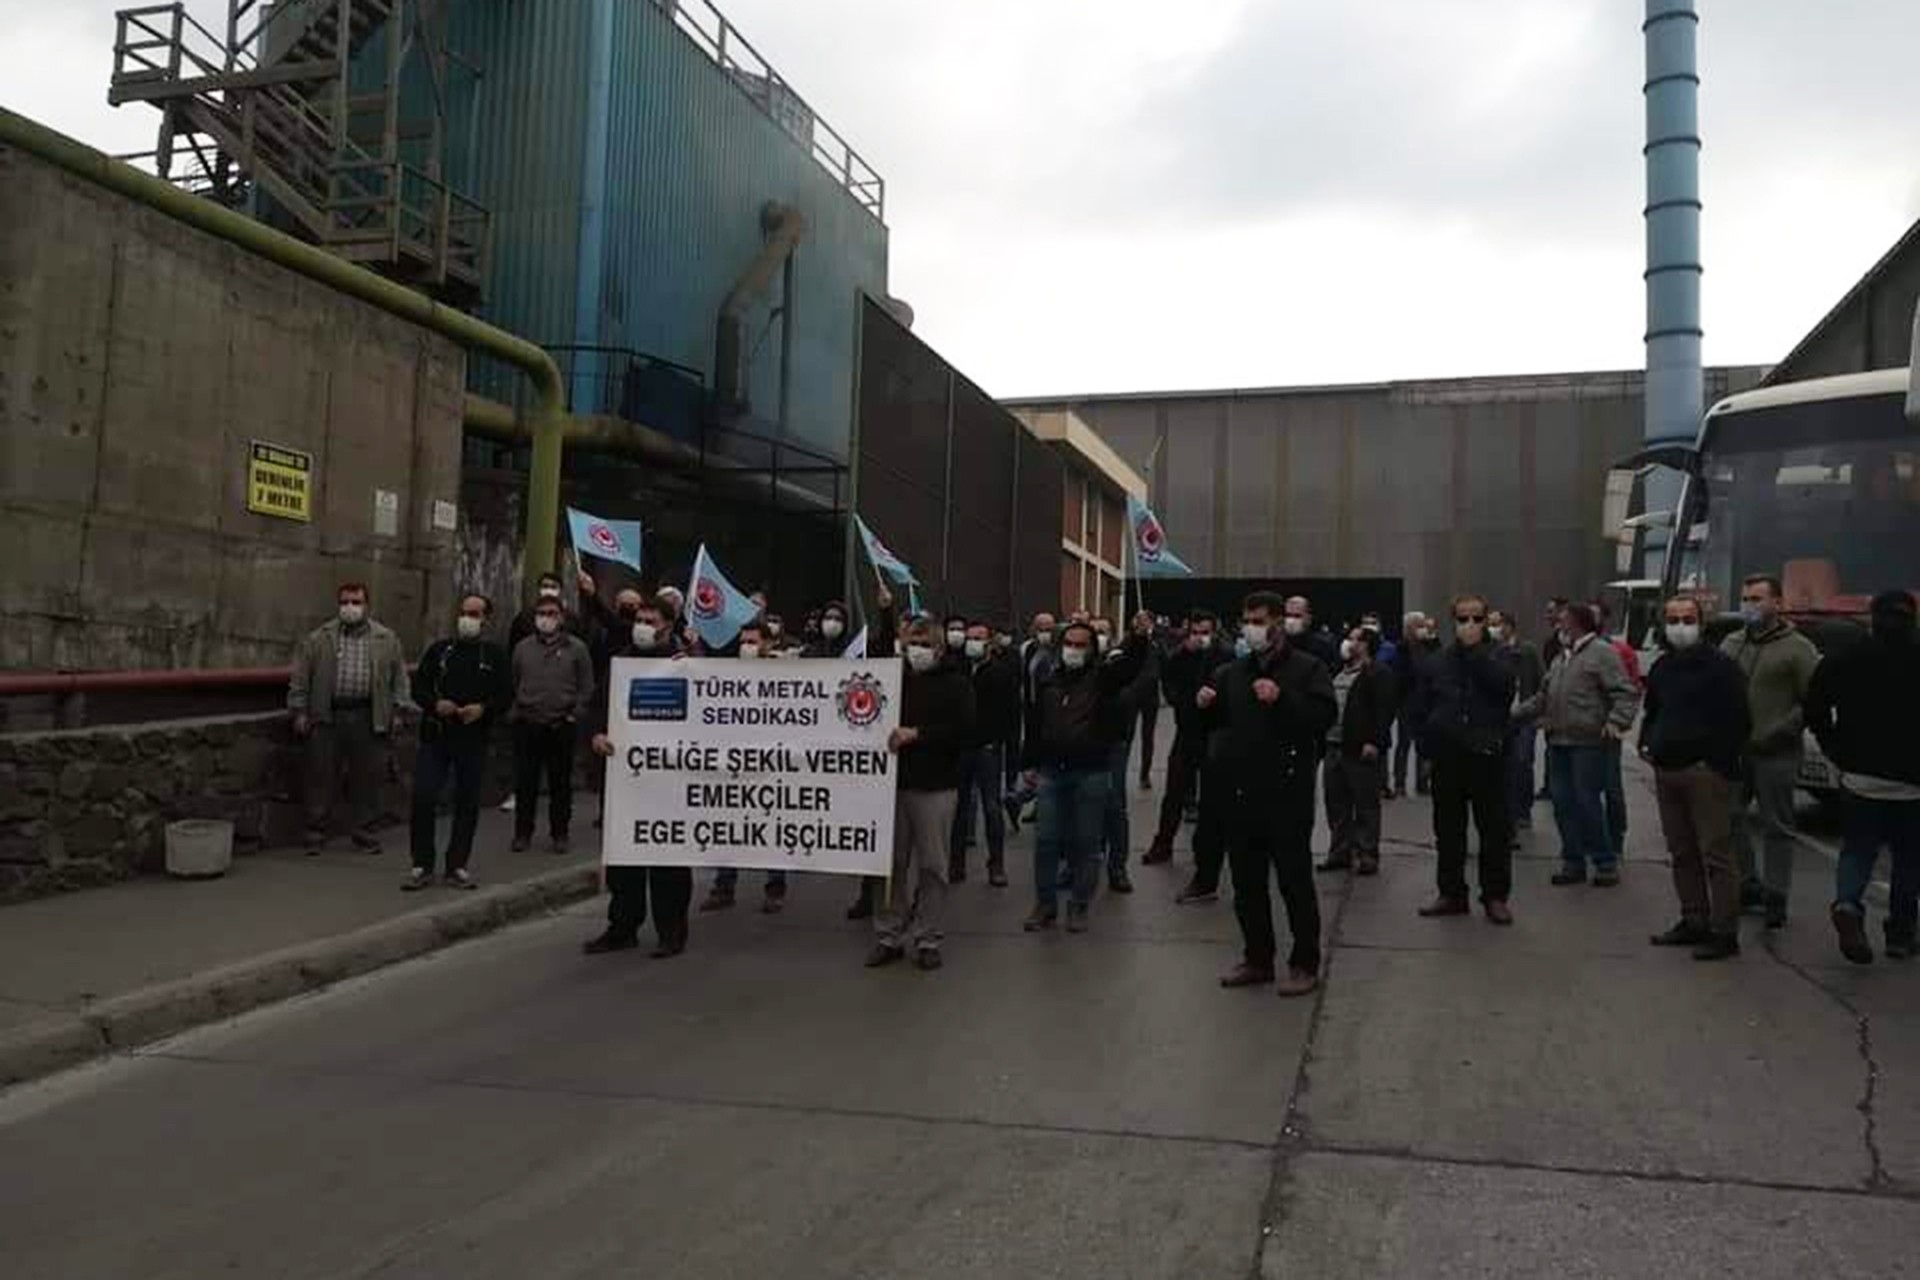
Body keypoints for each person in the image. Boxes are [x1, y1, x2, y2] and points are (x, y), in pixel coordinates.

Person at [1202, 592, 1336, 995]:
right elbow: (1219, 726)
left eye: (1259, 620)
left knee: (1294, 881)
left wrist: (1283, 700)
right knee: (1246, 882)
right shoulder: (1234, 672)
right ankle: (1257, 958)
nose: (1251, 628)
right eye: (1246, 620)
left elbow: (1323, 717)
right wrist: (1206, 706)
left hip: (1287, 794)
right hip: (1241, 793)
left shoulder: (1307, 668)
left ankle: (1305, 963)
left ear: (1278, 622)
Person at [1806, 589, 1920, 964]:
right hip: (1913, 783)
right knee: (1908, 860)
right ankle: (1901, 933)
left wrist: (1836, 751)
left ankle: (1848, 904)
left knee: (1857, 850)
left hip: (1859, 777)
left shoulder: (1846, 657)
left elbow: (1815, 707)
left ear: (1872, 617)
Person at [1641, 594, 1751, 960]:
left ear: (1701, 624)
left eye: (1687, 619)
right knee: (1681, 851)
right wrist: (1648, 744)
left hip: (1705, 772)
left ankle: (1724, 931)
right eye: (1673, 619)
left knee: (1716, 854)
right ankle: (1694, 919)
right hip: (1667, 769)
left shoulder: (1721, 668)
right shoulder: (1662, 668)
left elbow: (1739, 720)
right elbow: (1654, 710)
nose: (1680, 626)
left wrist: (1715, 762)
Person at [1020, 618, 1148, 933]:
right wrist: (1028, 763)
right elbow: (1035, 722)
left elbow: (1131, 668)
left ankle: (1079, 905)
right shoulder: (1047, 678)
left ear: (1092, 650)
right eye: (1069, 644)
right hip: (1052, 771)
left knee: (1087, 843)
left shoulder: (1103, 678)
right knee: (1046, 841)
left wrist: (1138, 636)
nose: (1074, 650)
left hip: (1090, 771)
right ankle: (1045, 905)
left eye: (1081, 645)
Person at [866, 614, 976, 970]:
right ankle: (889, 934)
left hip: (936, 787)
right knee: (891, 866)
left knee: (932, 866)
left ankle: (928, 937)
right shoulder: (891, 680)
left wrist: (919, 734)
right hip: (893, 786)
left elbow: (964, 730)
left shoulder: (956, 684)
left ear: (940, 649)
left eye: (926, 644)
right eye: (913, 642)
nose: (919, 650)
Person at [584, 597, 693, 957]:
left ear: (668, 625)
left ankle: (671, 931)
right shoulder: (622, 661)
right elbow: (597, 706)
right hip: (625, 777)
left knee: (668, 860)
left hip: (669, 779)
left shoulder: (686, 665)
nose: (643, 625)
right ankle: (623, 926)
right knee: (624, 858)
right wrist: (597, 733)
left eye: (651, 619)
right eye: (639, 619)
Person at [1722, 574, 1822, 929]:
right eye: (1746, 598)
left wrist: (1781, 730)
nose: (1750, 605)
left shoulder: (1798, 648)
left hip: (1776, 752)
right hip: (1734, 751)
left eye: (1758, 599)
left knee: (1777, 826)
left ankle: (1777, 895)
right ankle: (1748, 883)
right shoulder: (1732, 644)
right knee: (1729, 817)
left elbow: (1813, 700)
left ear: (1777, 603)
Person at [1412, 595, 1518, 923]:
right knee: (1448, 830)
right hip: (1448, 755)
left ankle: (1495, 896)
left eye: (1476, 619)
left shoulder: (1500, 655)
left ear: (1486, 621)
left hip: (1487, 756)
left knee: (1494, 831)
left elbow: (1503, 690)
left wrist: (1475, 653)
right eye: (1462, 619)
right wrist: (1427, 750)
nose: (1469, 625)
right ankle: (1451, 893)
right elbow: (1423, 705)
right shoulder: (1439, 660)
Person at [289, 582, 409, 854]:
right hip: (328, 715)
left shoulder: (386, 639)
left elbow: (399, 678)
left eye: (356, 602)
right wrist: (299, 711)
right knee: (320, 775)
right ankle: (315, 834)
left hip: (368, 715)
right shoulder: (319, 638)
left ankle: (364, 833)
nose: (350, 608)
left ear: (367, 605)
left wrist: (399, 710)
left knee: (367, 778)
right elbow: (300, 678)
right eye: (345, 602)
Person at [406, 594, 511, 891]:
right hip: (436, 735)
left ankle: (457, 865)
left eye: (475, 614)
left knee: (466, 801)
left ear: (485, 619)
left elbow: (505, 695)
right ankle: (422, 864)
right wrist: (435, 704)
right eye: (464, 612)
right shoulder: (440, 651)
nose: (468, 619)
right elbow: (419, 687)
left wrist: (483, 709)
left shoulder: (494, 656)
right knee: (424, 796)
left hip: (473, 738)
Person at [1542, 602, 1639, 887]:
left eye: (1562, 621)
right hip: (1559, 740)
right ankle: (1573, 862)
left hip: (1588, 743)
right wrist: (1515, 716)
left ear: (1578, 623)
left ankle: (1604, 862)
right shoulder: (1562, 657)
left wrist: (1617, 722)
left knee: (1587, 802)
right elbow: (1544, 694)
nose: (1558, 626)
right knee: (1562, 803)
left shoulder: (1603, 653)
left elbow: (1625, 692)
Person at [702, 619, 791, 913]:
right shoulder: (728, 673)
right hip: (734, 766)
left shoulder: (786, 675)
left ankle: (775, 889)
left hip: (771, 766)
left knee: (773, 828)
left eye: (753, 642)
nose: (747, 647)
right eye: (743, 642)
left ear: (768, 643)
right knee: (729, 826)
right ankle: (723, 885)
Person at [509, 594, 595, 855]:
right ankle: (522, 834)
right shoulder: (523, 648)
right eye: (542, 613)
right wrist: (517, 711)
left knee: (560, 785)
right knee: (526, 783)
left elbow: (587, 686)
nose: (546, 618)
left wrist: (575, 713)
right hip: (529, 723)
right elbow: (514, 680)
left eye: (551, 613)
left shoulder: (577, 649)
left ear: (561, 618)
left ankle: (560, 833)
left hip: (561, 724)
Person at [1146, 609, 1227, 869]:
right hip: (1187, 731)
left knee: (1214, 796)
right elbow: (1169, 684)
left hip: (1215, 733)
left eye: (1205, 633)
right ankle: (1163, 843)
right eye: (1195, 633)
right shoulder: (1179, 656)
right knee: (1174, 792)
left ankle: (1209, 851)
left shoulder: (1224, 656)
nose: (1199, 638)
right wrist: (1183, 701)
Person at [1317, 627, 1395, 876]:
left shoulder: (1377, 673)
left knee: (1365, 804)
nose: (1348, 642)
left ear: (1366, 645)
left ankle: (1367, 854)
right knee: (1336, 804)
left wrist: (1374, 741)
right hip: (1333, 745)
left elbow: (1384, 711)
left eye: (1354, 638)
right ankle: (1340, 852)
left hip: (1359, 748)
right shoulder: (1339, 671)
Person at [952, 619, 1017, 887]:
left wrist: (1003, 745)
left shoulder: (1001, 672)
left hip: (988, 748)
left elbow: (1010, 714)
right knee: (959, 808)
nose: (973, 642)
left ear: (989, 642)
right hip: (960, 748)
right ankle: (956, 863)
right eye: (970, 637)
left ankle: (996, 863)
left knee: (992, 808)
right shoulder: (958, 669)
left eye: (979, 638)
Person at [1099, 611, 1160, 894]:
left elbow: (1139, 666)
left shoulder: (1128, 653)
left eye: (1103, 631)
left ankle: (1117, 866)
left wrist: (1140, 638)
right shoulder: (1088, 663)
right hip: (1086, 743)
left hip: (1117, 733)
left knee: (1114, 803)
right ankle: (1083, 861)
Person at [1592, 599, 1643, 863]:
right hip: (1582, 733)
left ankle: (1616, 839)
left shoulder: (1620, 650)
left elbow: (1631, 690)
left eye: (1594, 616)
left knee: (1611, 787)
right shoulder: (1573, 649)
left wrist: (1619, 722)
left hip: (1608, 731)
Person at [1489, 608, 1546, 834]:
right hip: (1498, 719)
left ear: (1509, 626)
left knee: (1522, 763)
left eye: (1497, 623)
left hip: (1524, 717)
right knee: (1502, 767)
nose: (1493, 628)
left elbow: (1542, 681)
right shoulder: (1491, 651)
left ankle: (1523, 810)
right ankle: (1506, 812)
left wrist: (1539, 713)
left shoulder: (1528, 650)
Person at [1003, 611, 1059, 827]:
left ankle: (1024, 800)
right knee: (1033, 760)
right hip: (1031, 710)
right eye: (1041, 627)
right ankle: (1026, 799)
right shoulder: (1026, 649)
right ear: (1033, 629)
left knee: (1047, 760)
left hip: (1053, 712)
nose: (1044, 632)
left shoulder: (1059, 650)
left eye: (1049, 628)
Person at [1389, 611, 1441, 798]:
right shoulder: (1401, 649)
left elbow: (1439, 664)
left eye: (1423, 625)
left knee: (1424, 744)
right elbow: (1397, 677)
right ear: (1408, 628)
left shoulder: (1429, 647)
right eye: (1417, 625)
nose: (1422, 629)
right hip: (1407, 703)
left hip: (1426, 703)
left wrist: (1434, 641)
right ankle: (1400, 782)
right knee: (1404, 743)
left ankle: (1422, 781)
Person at [509, 571, 584, 651]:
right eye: (545, 586)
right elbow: (514, 648)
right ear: (538, 590)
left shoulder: (571, 619)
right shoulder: (524, 618)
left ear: (560, 591)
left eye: (553, 587)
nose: (549, 590)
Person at [1137, 613, 1165, 791]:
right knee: (1128, 735)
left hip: (1151, 694)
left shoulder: (1158, 641)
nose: (1142, 623)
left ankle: (1144, 774)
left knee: (1148, 736)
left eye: (1145, 620)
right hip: (1133, 693)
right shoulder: (1131, 640)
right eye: (1138, 620)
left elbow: (1165, 661)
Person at [1283, 595, 1341, 669]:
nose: (1291, 621)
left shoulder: (1324, 644)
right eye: (1288, 615)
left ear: (1309, 618)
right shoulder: (1278, 642)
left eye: (1297, 616)